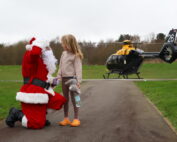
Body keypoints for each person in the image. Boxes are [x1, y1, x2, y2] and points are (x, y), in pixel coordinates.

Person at [6, 38, 66, 129]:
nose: (49, 49)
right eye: (46, 47)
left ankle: (39, 115)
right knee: (36, 124)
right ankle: (16, 113)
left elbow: (43, 78)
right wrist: (40, 41)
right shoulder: (30, 55)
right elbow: (34, 53)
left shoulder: (42, 61)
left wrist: (53, 82)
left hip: (42, 91)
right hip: (32, 92)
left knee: (59, 101)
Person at [57, 34, 83, 127]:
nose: (62, 45)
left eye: (63, 43)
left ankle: (76, 118)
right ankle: (66, 118)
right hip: (64, 80)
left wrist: (78, 81)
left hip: (73, 81)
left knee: (75, 99)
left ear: (68, 44)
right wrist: (58, 77)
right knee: (65, 99)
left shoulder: (76, 55)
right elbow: (60, 67)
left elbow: (78, 69)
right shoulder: (63, 54)